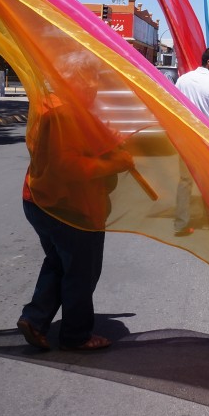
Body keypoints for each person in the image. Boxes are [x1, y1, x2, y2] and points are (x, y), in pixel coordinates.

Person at [17, 74, 133, 352]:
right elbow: (68, 167)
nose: (94, 89)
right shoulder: (65, 116)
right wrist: (114, 163)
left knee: (58, 262)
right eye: (88, 83)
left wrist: (115, 145)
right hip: (72, 208)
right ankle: (76, 335)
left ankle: (35, 318)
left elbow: (98, 139)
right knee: (82, 271)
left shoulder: (56, 106)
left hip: (40, 200)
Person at [172, 47, 209, 236]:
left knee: (185, 180)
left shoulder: (182, 80)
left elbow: (175, 105)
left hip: (186, 136)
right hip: (207, 137)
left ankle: (181, 222)